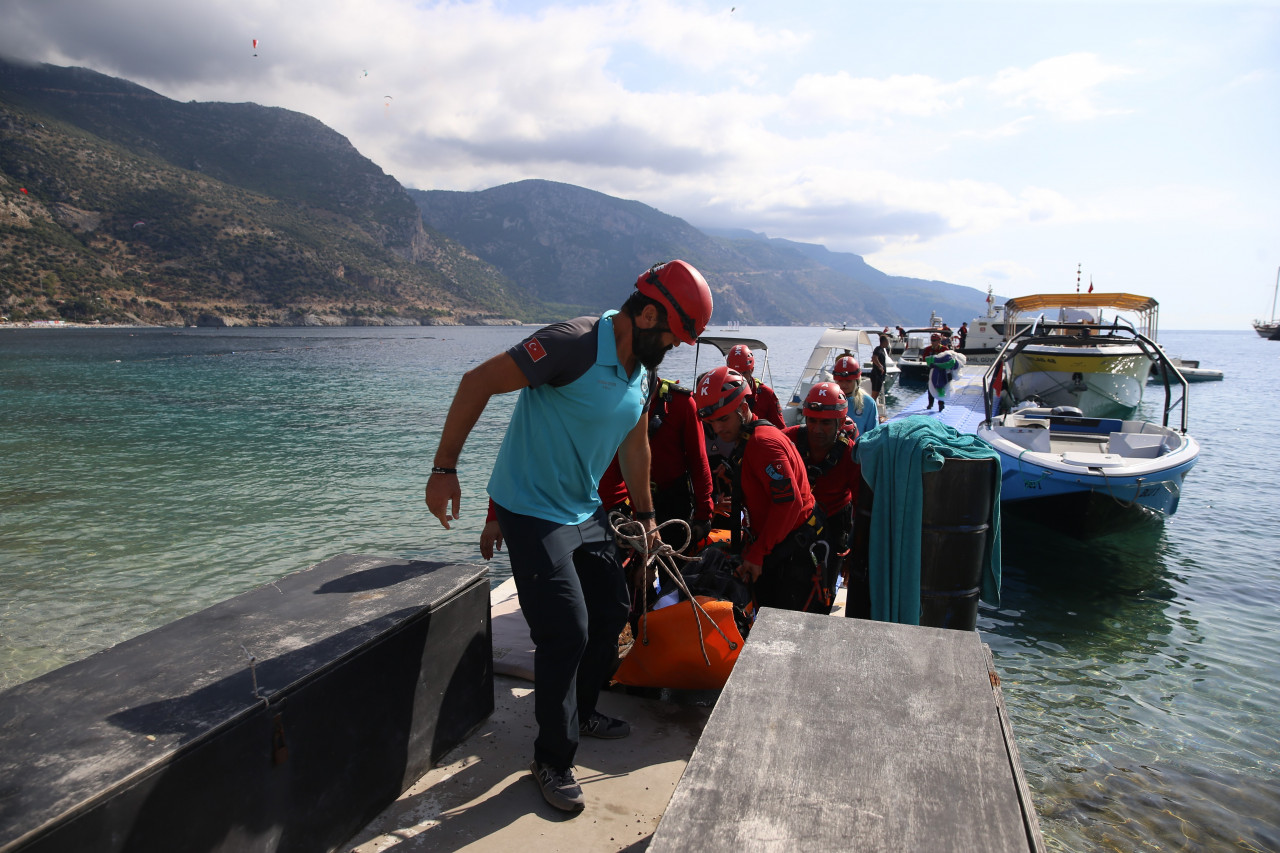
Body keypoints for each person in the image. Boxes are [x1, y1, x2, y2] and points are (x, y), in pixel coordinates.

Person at [426, 259, 713, 813]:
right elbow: (478, 382)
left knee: (610, 609)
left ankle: (580, 711)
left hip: (584, 508)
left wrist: (649, 518)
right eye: (673, 336)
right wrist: (445, 470)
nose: (674, 347)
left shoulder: (642, 371)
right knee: (566, 630)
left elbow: (635, 445)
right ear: (649, 312)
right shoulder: (573, 344)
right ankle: (553, 758)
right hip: (530, 508)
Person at [694, 366, 823, 613]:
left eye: (723, 419)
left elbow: (789, 503)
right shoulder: (753, 437)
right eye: (711, 423)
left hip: (791, 556)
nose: (718, 430)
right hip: (780, 547)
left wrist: (757, 554)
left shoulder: (762, 443)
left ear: (743, 409)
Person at [596, 375, 715, 548]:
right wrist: (613, 509)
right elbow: (611, 463)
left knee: (671, 561)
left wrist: (704, 514)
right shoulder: (616, 403)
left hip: (672, 502)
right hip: (630, 503)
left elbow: (699, 462)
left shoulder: (681, 404)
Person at [783, 382, 861, 614]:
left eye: (826, 422)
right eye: (812, 421)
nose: (817, 429)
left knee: (823, 593)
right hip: (794, 520)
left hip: (834, 522)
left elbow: (861, 506)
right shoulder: (789, 440)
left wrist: (853, 553)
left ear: (839, 423)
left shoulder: (850, 455)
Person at [726, 343, 785, 428]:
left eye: (743, 373)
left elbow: (781, 429)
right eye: (734, 373)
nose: (739, 378)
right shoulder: (722, 393)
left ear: (752, 370)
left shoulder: (766, 394)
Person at [831, 353, 878, 436]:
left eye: (848, 381)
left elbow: (873, 436)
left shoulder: (868, 404)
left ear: (856, 381)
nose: (844, 385)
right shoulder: (829, 401)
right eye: (840, 381)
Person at [925, 338, 964, 411]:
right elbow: (925, 358)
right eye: (932, 341)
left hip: (945, 372)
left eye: (934, 340)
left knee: (944, 387)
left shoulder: (944, 349)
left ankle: (941, 404)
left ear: (939, 341)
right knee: (931, 387)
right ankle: (930, 403)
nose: (933, 342)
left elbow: (950, 359)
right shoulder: (928, 349)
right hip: (933, 371)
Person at [869, 334, 890, 406]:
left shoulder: (882, 350)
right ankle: (871, 408)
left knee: (877, 394)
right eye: (887, 341)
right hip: (876, 375)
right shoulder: (878, 349)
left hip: (880, 375)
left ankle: (873, 407)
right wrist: (880, 366)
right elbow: (874, 358)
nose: (888, 343)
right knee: (874, 394)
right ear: (884, 342)